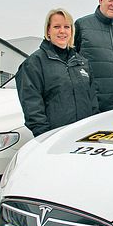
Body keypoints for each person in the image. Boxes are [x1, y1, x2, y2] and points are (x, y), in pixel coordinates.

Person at [16, 8, 99, 136]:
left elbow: (93, 102)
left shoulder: (82, 62)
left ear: (71, 31)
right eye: (56, 26)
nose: (62, 31)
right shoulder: (34, 63)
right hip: (54, 138)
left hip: (84, 137)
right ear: (48, 30)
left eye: (66, 27)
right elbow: (32, 106)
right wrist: (45, 136)